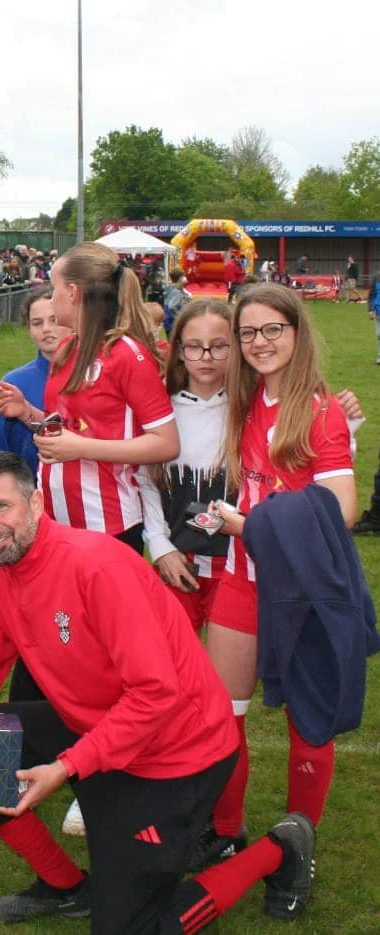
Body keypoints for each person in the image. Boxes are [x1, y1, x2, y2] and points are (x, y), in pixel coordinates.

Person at [0, 451, 318, 932]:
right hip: (96, 730)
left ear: (37, 503)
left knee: (132, 929)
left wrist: (67, 766)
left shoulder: (96, 568)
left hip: (175, 754)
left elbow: (155, 695)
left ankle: (280, 848)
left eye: (1, 507)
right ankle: (66, 887)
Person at [199, 283, 356, 907]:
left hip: (304, 591)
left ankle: (296, 849)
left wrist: (254, 523)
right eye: (249, 333)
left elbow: (342, 507)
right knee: (222, 715)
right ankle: (224, 834)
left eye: (272, 330)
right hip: (242, 579)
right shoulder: (241, 401)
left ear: (297, 333)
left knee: (309, 725)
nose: (259, 343)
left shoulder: (318, 410)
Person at [0, 241, 178, 553]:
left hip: (110, 526)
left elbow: (166, 443)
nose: (50, 299)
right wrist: (27, 413)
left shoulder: (127, 355)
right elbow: (66, 428)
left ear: (74, 292)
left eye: (54, 288)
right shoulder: (69, 348)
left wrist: (79, 448)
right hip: (57, 522)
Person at [137, 299, 234, 633]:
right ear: (178, 349)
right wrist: (161, 548)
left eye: (219, 346)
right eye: (194, 347)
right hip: (177, 562)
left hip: (238, 565)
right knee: (173, 673)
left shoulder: (250, 408)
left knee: (228, 680)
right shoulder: (158, 411)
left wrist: (345, 432)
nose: (205, 357)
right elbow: (146, 483)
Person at [0, 286, 64, 475]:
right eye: (37, 323)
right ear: (29, 330)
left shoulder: (96, 377)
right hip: (31, 498)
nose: (46, 329)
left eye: (54, 320)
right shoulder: (14, 385)